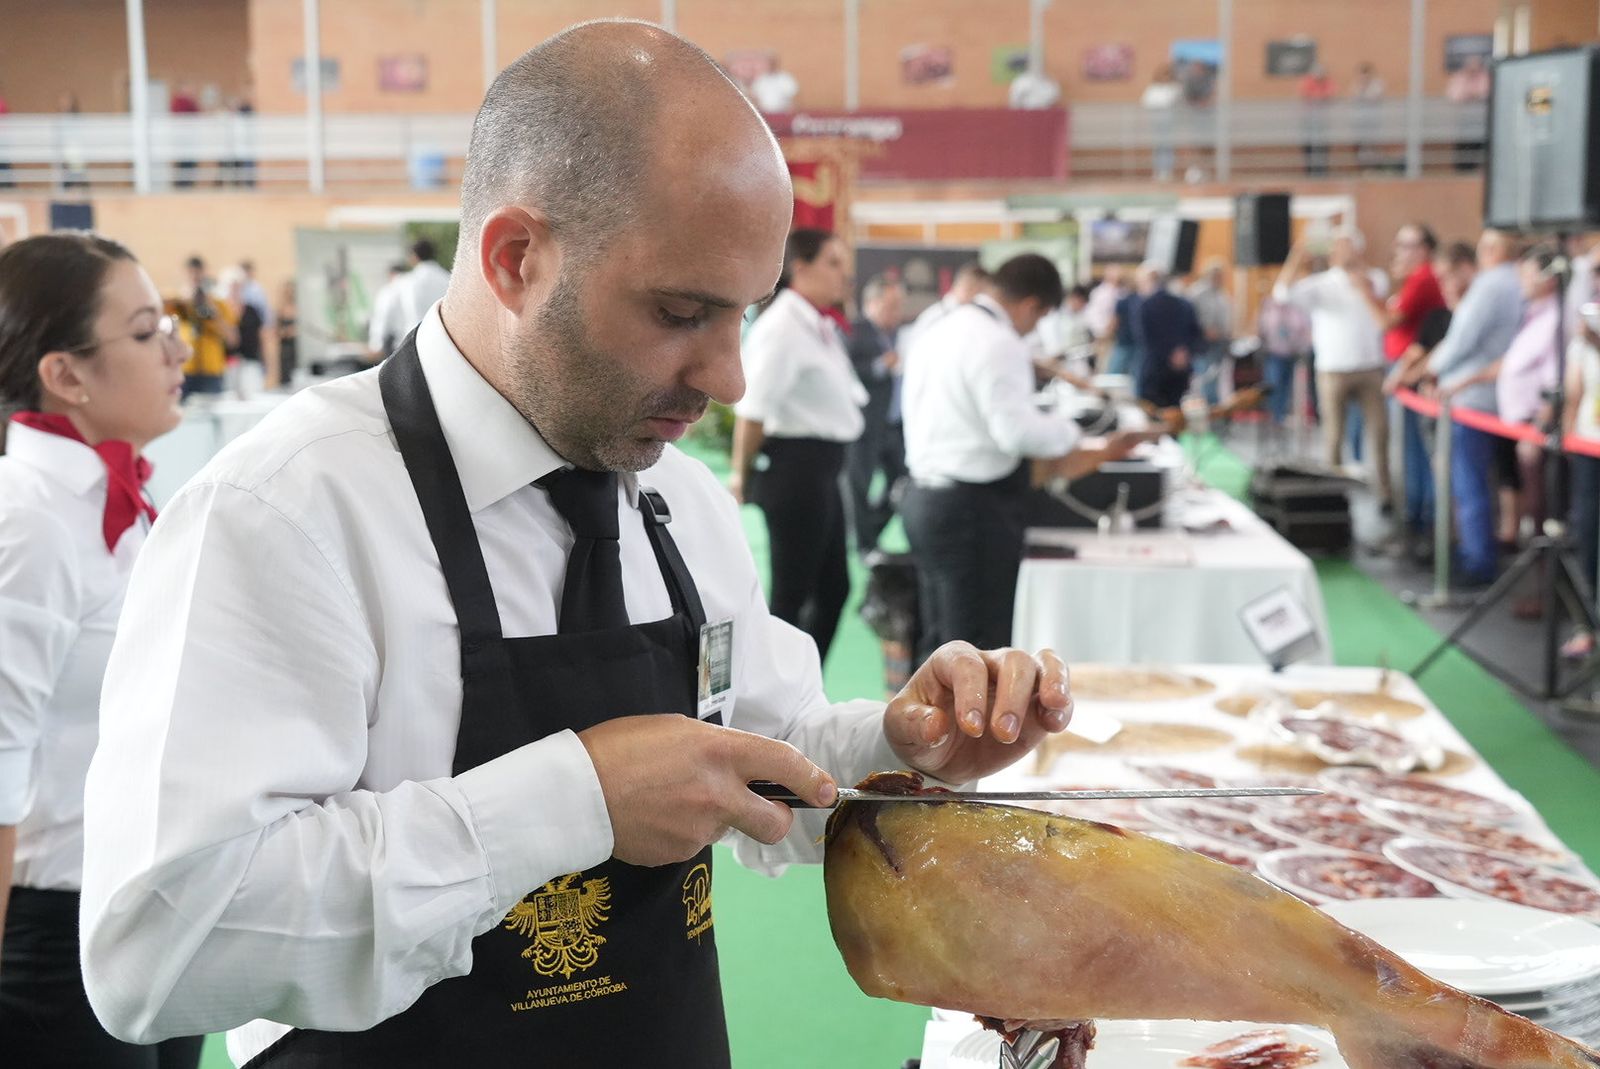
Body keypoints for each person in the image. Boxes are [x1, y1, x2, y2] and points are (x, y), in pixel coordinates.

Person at [78, 22, 1074, 1068]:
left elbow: (774, 753)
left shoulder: (679, 502)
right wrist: (571, 800)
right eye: (682, 311)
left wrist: (899, 749)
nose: (730, 379)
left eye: (744, 315)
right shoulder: (286, 513)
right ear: (516, 258)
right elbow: (156, 948)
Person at [0, 232, 200, 1068]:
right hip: (54, 935)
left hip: (157, 905)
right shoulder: (30, 520)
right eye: (148, 330)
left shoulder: (125, 499)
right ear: (65, 373)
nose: (177, 348)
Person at [901, 253, 1141, 660]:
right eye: (1040, 318)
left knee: (940, 642)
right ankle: (961, 727)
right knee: (974, 653)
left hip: (923, 498)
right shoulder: (999, 341)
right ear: (1032, 305)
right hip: (970, 511)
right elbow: (1016, 434)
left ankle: (933, 724)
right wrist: (1070, 430)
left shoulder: (938, 326)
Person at [731, 229, 864, 663]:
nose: (843, 275)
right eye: (833, 263)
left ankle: (803, 692)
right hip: (796, 470)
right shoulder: (784, 327)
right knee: (791, 596)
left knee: (834, 589)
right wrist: (740, 475)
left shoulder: (817, 323)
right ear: (800, 268)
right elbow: (753, 410)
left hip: (823, 468)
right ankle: (773, 707)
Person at [1427, 229, 1526, 586]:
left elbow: (1461, 341)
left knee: (1469, 484)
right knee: (1483, 481)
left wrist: (1428, 369)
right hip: (1491, 398)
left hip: (1473, 402)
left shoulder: (1491, 285)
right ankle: (1477, 553)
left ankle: (1477, 559)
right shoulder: (1512, 282)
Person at [1274, 231, 1392, 506]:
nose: (1341, 252)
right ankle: (1334, 495)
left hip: (1370, 368)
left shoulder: (1374, 278)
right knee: (1333, 436)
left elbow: (1378, 296)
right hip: (1333, 369)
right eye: (1338, 248)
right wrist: (1296, 258)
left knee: (1379, 433)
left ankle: (1384, 491)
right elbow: (1281, 295)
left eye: (1347, 247)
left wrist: (1357, 274)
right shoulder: (1320, 285)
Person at [1386, 239, 1476, 561]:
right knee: (1430, 468)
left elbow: (1445, 353)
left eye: (1449, 277)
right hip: (1430, 409)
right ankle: (1427, 532)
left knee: (1454, 479)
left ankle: (1452, 543)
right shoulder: (1438, 316)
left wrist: (1410, 376)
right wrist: (1403, 374)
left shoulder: (1468, 315)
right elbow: (1420, 349)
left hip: (1459, 409)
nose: (1445, 286)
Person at [845, 273, 907, 555]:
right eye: (892, 305)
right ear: (873, 302)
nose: (897, 312)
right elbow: (846, 373)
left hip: (892, 424)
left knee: (902, 481)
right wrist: (882, 365)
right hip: (864, 424)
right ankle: (864, 545)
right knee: (859, 485)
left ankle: (872, 530)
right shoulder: (854, 330)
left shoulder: (896, 334)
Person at [1561, 304, 1600, 659]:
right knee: (1586, 536)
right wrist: (1567, 433)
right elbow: (1574, 393)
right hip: (1589, 447)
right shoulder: (1582, 340)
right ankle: (1586, 626)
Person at [1135, 261, 1203, 409]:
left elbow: (1145, 338)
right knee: (1175, 414)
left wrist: (1168, 355)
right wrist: (1183, 353)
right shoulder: (1185, 304)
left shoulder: (1146, 305)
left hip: (1156, 370)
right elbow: (1196, 334)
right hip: (1180, 371)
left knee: (1153, 415)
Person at [172, 254, 237, 397]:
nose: (195, 277)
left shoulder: (218, 304)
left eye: (198, 273)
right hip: (186, 369)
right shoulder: (180, 303)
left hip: (211, 370)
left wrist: (211, 308)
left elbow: (232, 339)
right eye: (191, 273)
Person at [1256, 289, 1313, 428]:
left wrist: (1302, 346)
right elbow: (1263, 329)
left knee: (1286, 386)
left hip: (1291, 353)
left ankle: (1280, 415)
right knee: (1275, 384)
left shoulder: (1296, 309)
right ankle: (1274, 415)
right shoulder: (1270, 309)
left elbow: (1303, 329)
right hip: (1274, 353)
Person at [1185, 258, 1232, 406]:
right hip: (1203, 344)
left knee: (1216, 377)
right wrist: (1204, 330)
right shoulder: (1196, 293)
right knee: (1205, 378)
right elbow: (1190, 318)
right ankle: (1208, 407)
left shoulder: (1222, 294)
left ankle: (1214, 407)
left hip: (1220, 342)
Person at [1446, 54, 1491, 172]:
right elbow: (1454, 96)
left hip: (1482, 119)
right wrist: (1469, 92)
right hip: (1464, 119)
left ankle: (1480, 169)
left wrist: (1471, 95)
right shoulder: (1460, 78)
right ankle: (1462, 169)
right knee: (1464, 145)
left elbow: (1486, 93)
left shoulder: (1485, 77)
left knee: (1482, 144)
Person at [399, 238, 451, 334]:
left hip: (417, 337)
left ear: (414, 256)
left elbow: (409, 315)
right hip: (443, 335)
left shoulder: (409, 281)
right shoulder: (447, 277)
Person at [1141, 65, 1182, 181]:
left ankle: (1167, 171)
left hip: (1168, 122)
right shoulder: (1153, 88)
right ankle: (1158, 171)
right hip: (1156, 122)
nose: (1166, 77)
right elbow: (1146, 102)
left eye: (1168, 75)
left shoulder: (1174, 88)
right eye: (1164, 74)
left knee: (1167, 147)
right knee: (1158, 147)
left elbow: (1171, 102)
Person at [367, 261, 411, 361]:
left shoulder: (389, 291)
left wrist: (376, 344)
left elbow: (383, 317)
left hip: (394, 341)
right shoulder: (413, 286)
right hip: (414, 339)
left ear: (391, 274)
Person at [1298, 64, 1335, 176]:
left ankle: (1322, 170)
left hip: (1323, 120)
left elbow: (1330, 94)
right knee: (1308, 145)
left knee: (1323, 146)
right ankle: (1309, 170)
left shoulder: (1328, 82)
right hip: (1309, 120)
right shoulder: (1307, 82)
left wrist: (1318, 97)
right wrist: (1319, 97)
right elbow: (1306, 94)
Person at [1350, 62, 1385, 169]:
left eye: (1366, 74)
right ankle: (1363, 167)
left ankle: (1373, 167)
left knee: (1372, 144)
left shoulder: (1377, 84)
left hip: (1373, 120)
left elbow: (1374, 98)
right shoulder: (1356, 85)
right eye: (1362, 74)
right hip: (1360, 120)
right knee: (1361, 145)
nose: (1364, 76)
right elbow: (1354, 99)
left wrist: (1365, 89)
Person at [169, 82, 200, 189]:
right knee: (184, 162)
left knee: (189, 162)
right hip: (183, 137)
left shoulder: (188, 101)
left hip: (189, 137)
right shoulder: (179, 101)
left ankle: (187, 184)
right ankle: (182, 185)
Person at [274, 278, 299, 387]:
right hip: (286, 349)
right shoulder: (280, 309)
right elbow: (276, 332)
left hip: (298, 348)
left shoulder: (301, 307)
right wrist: (288, 331)